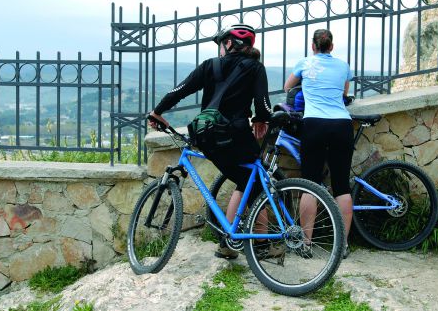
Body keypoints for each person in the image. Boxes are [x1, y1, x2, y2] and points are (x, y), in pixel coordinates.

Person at [149, 24, 272, 259]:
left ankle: (233, 241)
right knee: (253, 181)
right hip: (236, 135)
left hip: (207, 136)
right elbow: (263, 105)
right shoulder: (255, 68)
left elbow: (180, 90)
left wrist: (157, 112)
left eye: (221, 44)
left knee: (247, 181)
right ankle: (259, 243)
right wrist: (261, 119)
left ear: (228, 43)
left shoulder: (210, 65)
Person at [283, 29, 354, 258]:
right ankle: (342, 245)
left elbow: (287, 87)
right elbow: (344, 94)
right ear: (331, 46)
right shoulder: (343, 65)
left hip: (314, 124)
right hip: (342, 125)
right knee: (342, 186)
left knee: (310, 184)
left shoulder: (305, 63)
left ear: (313, 46)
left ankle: (306, 243)